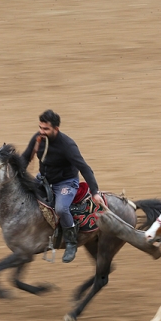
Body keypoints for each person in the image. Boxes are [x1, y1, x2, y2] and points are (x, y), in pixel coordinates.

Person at [22, 110, 104, 263]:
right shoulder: (38, 138)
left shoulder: (67, 145)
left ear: (56, 129)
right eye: (40, 127)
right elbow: (25, 157)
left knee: (61, 208)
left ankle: (71, 242)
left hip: (65, 183)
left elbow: (85, 168)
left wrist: (95, 192)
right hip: (43, 179)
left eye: (46, 129)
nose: (41, 131)